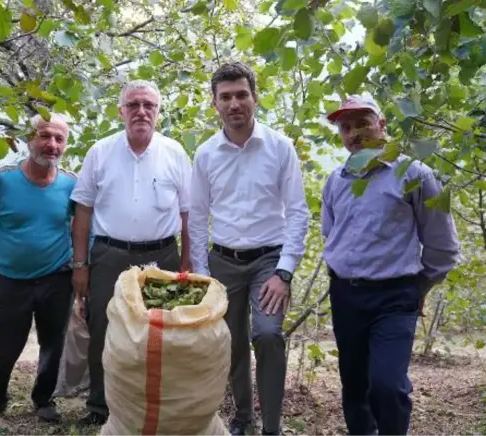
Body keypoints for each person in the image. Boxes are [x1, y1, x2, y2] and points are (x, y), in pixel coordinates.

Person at [321, 94, 461, 436]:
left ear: (382, 125)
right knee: (354, 387)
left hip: (396, 296)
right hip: (346, 295)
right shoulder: (336, 180)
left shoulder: (414, 174)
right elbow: (332, 234)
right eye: (346, 127)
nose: (354, 133)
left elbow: (443, 245)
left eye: (363, 123)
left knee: (387, 386)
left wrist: (419, 288)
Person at [188, 62, 310, 436]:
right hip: (222, 261)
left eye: (242, 94)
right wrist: (203, 276)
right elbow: (196, 217)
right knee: (231, 342)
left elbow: (298, 212)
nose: (234, 103)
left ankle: (272, 426)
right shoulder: (206, 154)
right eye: (225, 97)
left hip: (268, 261)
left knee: (268, 335)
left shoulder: (279, 147)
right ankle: (244, 419)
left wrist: (284, 271)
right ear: (215, 104)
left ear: (254, 98)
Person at [70, 79, 192, 426]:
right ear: (121, 111)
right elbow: (82, 212)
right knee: (104, 330)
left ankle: (154, 406)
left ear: (158, 112)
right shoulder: (100, 152)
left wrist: (187, 261)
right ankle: (99, 408)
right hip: (110, 255)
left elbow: (188, 213)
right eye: (133, 104)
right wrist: (81, 264)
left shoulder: (175, 152)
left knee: (162, 332)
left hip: (163, 257)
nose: (141, 111)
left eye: (148, 105)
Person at [0, 113, 77, 422]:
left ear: (65, 145)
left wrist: (82, 269)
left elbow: (86, 229)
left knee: (55, 342)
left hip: (58, 278)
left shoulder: (71, 184)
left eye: (59, 139)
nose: (51, 145)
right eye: (44, 136)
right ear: (29, 139)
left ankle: (44, 400)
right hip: (10, 280)